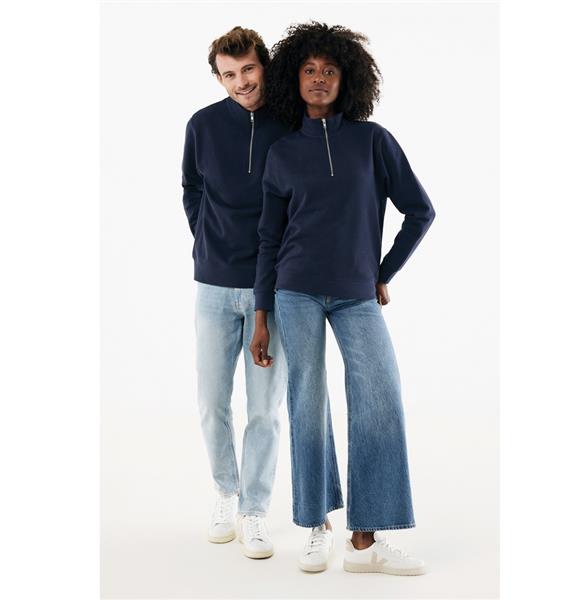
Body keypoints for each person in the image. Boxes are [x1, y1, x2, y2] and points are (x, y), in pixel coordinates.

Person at [249, 21, 435, 575]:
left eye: (329, 70)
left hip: (356, 295)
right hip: (295, 291)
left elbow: (420, 211)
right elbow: (269, 239)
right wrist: (261, 314)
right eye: (309, 69)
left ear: (347, 78)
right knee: (307, 404)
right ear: (294, 78)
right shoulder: (283, 153)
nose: (319, 78)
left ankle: (365, 541)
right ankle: (316, 526)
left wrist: (383, 272)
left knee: (381, 398)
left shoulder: (373, 141)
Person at [181, 26, 289, 559]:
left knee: (265, 408)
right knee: (211, 402)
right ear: (219, 78)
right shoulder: (201, 125)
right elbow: (192, 188)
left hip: (274, 288)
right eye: (229, 74)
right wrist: (207, 238)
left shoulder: (290, 123)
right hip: (213, 285)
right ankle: (226, 492)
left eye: (248, 69)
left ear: (263, 66)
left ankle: (255, 510)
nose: (241, 82)